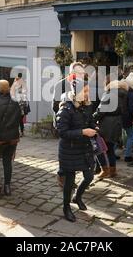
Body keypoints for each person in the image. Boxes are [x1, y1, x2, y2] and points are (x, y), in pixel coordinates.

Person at [56, 77, 97, 223]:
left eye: (88, 91)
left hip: (84, 148)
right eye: (85, 91)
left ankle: (78, 197)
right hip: (69, 150)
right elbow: (61, 132)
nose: (87, 94)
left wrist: (94, 128)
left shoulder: (87, 106)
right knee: (69, 181)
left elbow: (90, 122)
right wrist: (82, 132)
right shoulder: (65, 108)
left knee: (89, 176)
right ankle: (66, 208)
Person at [52, 62, 87, 188]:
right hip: (65, 123)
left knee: (76, 152)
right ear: (71, 73)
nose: (82, 75)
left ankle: (72, 176)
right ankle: (62, 175)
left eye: (83, 73)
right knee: (66, 151)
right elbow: (55, 106)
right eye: (79, 73)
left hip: (78, 125)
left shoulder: (84, 85)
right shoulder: (60, 85)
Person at [94, 75, 125, 179]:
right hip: (116, 123)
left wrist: (91, 119)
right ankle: (113, 170)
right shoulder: (121, 93)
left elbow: (101, 110)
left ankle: (105, 170)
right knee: (110, 148)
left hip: (107, 124)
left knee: (99, 148)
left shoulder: (109, 94)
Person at [122, 73, 133, 162]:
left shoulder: (120, 89)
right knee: (130, 135)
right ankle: (128, 155)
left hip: (119, 116)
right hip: (127, 116)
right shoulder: (130, 91)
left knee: (117, 136)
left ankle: (112, 154)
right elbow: (131, 108)